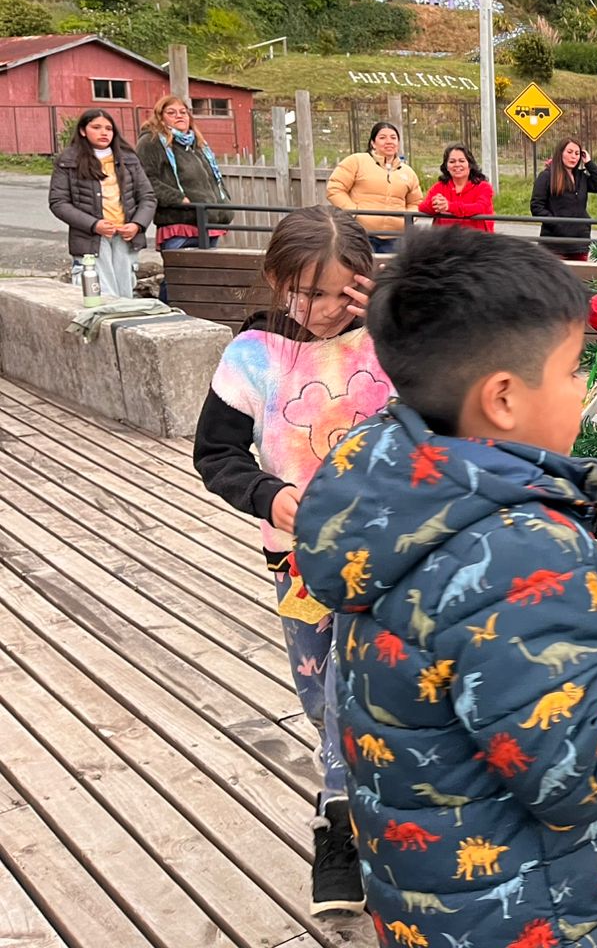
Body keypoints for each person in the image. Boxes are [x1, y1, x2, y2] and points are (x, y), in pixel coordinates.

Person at [292, 227, 597, 947]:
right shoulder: (521, 550)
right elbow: (582, 771)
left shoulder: (392, 493)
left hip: (434, 911)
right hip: (540, 916)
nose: (584, 389)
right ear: (502, 398)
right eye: (573, 369)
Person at [192, 207, 388, 917]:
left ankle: (340, 824)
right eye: (309, 294)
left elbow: (450, 390)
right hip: (300, 564)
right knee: (319, 695)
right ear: (277, 281)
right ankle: (346, 785)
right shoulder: (254, 354)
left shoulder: (392, 340)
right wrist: (267, 495)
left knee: (353, 687)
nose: (328, 310)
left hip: (388, 559)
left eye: (343, 293)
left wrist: (395, 316)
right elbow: (216, 453)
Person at [48, 108, 156, 299]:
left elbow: (147, 197)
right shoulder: (68, 160)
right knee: (100, 295)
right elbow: (59, 202)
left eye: (108, 128)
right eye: (96, 127)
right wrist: (94, 224)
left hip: (125, 237)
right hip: (91, 239)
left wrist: (137, 225)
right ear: (83, 131)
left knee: (125, 295)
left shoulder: (129, 159)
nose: (104, 132)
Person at [136, 94, 232, 250]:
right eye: (171, 113)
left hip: (209, 222)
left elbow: (215, 179)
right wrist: (179, 199)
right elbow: (144, 179)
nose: (179, 116)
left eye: (183, 112)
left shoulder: (199, 144)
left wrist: (225, 202)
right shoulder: (151, 141)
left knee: (211, 266)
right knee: (181, 265)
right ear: (160, 117)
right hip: (179, 223)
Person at [326, 122, 423, 253]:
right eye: (382, 137)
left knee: (392, 266)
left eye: (393, 138)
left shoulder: (408, 172)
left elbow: (416, 202)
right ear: (373, 143)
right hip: (361, 234)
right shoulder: (357, 161)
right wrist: (354, 213)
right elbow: (335, 188)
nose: (389, 141)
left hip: (395, 238)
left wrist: (407, 219)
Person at [531, 136, 597, 259]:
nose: (573, 157)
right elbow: (536, 207)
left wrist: (588, 163)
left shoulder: (581, 177)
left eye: (577, 153)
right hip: (554, 244)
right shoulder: (547, 176)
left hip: (580, 243)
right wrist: (557, 224)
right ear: (560, 153)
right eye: (570, 152)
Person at [419, 143, 495, 233]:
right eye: (452, 162)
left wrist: (449, 207)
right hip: (444, 239)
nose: (457, 164)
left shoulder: (484, 187)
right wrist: (435, 204)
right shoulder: (439, 187)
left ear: (470, 165)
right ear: (446, 166)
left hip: (476, 239)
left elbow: (480, 207)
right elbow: (422, 207)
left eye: (462, 161)